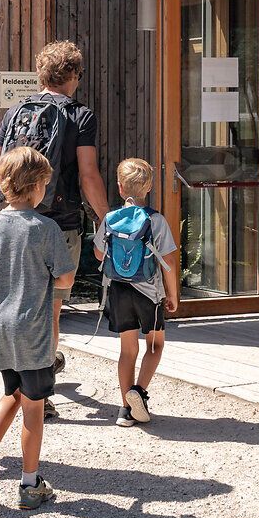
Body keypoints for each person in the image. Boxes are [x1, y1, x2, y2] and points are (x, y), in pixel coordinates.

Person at [0, 40, 109, 409]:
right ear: (72, 75)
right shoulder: (80, 116)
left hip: (13, 221)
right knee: (49, 310)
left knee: (15, 300)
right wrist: (107, 221)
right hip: (60, 222)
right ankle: (41, 391)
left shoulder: (15, 112)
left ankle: (20, 382)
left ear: (41, 74)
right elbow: (88, 175)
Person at [0, 146, 75, 510]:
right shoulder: (46, 228)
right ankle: (30, 484)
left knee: (12, 392)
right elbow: (64, 274)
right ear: (37, 187)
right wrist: (55, 288)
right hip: (32, 329)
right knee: (34, 405)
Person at [94, 158, 179, 427]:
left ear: (119, 187)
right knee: (155, 345)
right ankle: (139, 391)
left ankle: (124, 411)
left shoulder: (110, 219)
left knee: (126, 351)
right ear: (150, 186)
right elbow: (169, 262)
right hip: (149, 292)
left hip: (118, 290)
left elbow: (98, 253)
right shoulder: (156, 220)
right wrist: (172, 293)